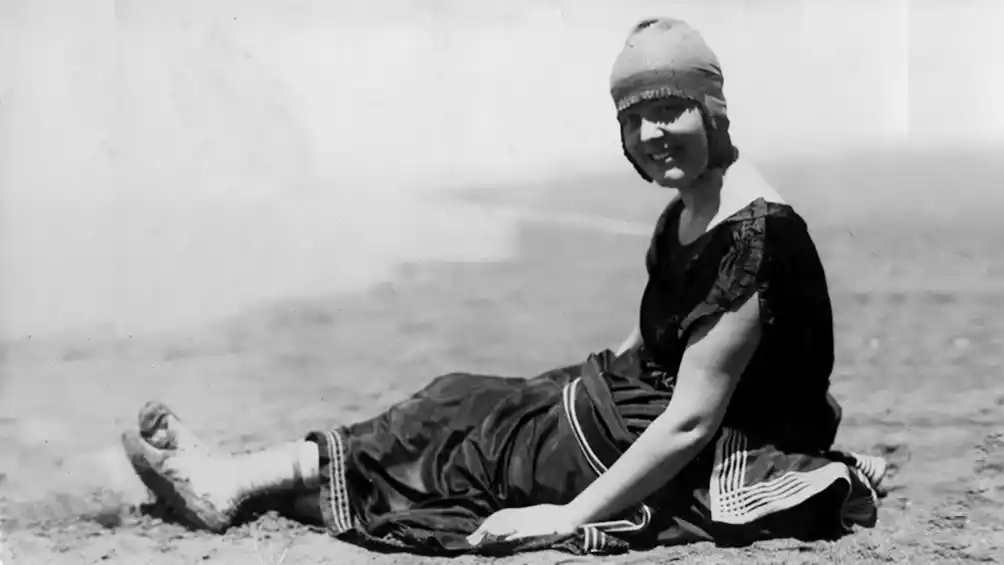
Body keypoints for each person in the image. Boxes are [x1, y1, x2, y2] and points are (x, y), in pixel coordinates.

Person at [121, 17, 888, 556]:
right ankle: (246, 476)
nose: (653, 134)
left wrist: (567, 515)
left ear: (711, 108)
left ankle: (241, 479)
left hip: (702, 452)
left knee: (473, 445)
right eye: (636, 118)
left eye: (670, 109)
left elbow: (690, 421)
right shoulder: (691, 209)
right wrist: (568, 390)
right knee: (464, 405)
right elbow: (653, 342)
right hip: (635, 409)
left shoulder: (755, 236)